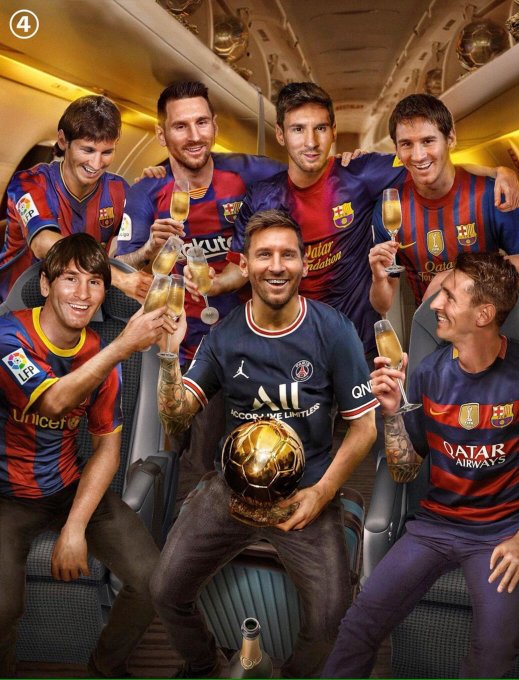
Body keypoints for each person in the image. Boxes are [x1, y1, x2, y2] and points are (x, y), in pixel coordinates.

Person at [151, 209, 378, 678]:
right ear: (246, 265)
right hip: (230, 490)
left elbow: (365, 428)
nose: (276, 266)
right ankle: (205, 667)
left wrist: (321, 493)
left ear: (304, 265)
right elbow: (176, 415)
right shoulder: (224, 335)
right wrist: (170, 355)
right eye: (264, 255)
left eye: (287, 255)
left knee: (332, 618)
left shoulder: (334, 330)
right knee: (164, 590)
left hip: (305, 493)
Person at [323, 252, 519, 679]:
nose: (435, 304)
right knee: (358, 625)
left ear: (483, 314)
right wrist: (391, 413)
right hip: (435, 525)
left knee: (494, 654)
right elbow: (405, 470)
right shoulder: (429, 373)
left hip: (503, 532)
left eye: (448, 296)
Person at [205, 82, 519, 360]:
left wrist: (497, 171)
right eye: (298, 129)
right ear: (280, 135)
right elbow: (238, 268)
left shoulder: (360, 173)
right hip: (289, 344)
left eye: (320, 128)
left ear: (333, 131)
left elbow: (429, 163)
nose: (311, 141)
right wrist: (215, 284)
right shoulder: (262, 197)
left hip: (356, 343)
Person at [0, 234, 169, 678]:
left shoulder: (99, 353)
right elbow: (54, 401)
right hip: (7, 497)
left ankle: (103, 668)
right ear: (45, 285)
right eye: (70, 279)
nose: (82, 293)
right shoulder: (9, 337)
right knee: (2, 608)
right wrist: (122, 347)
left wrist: (75, 525)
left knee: (155, 581)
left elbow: (107, 447)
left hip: (67, 486)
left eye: (95, 282)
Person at [115, 80, 285, 500]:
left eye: (202, 123)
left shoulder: (247, 174)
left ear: (215, 126)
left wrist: (350, 159)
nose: (194, 136)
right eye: (180, 126)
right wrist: (148, 250)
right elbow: (118, 266)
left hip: (241, 342)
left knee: (219, 458)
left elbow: (308, 168)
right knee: (179, 456)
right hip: (173, 345)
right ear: (161, 135)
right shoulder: (146, 191)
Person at [369, 93, 519, 316]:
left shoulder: (489, 192)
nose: (418, 155)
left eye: (428, 141)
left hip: (490, 321)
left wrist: (458, 275)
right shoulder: (390, 208)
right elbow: (383, 304)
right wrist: (378, 278)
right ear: (397, 150)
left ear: (450, 139)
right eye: (406, 144)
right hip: (432, 326)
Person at [0, 95, 152, 305]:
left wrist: (150, 246)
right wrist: (119, 279)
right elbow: (43, 243)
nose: (96, 164)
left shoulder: (118, 190)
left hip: (79, 307)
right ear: (63, 141)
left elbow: (126, 257)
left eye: (107, 152)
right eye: (87, 150)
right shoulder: (30, 183)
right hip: (17, 306)